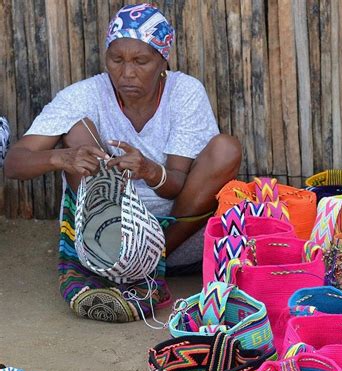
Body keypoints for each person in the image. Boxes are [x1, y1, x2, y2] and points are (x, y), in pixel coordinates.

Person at [4, 4, 242, 323]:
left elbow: (176, 186)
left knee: (226, 149)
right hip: (106, 237)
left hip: (176, 236)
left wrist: (147, 169)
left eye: (140, 61)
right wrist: (60, 157)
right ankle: (120, 261)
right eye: (117, 60)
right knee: (75, 130)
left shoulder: (184, 92)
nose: (126, 73)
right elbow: (14, 164)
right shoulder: (85, 95)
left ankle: (142, 264)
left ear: (162, 60)